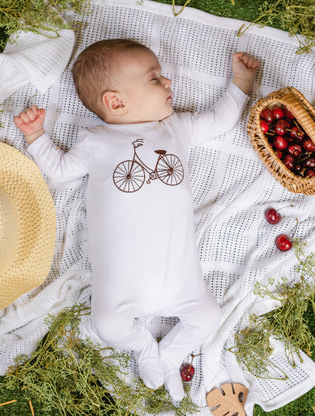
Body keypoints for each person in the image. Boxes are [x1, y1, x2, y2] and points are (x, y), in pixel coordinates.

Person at [14, 39, 259, 401]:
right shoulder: (96, 141)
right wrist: (36, 137)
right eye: (154, 78)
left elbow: (219, 120)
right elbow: (62, 170)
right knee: (108, 326)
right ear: (116, 101)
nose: (168, 83)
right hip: (122, 283)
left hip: (179, 276)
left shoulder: (174, 128)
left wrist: (241, 83)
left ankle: (170, 356)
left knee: (207, 317)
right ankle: (145, 348)